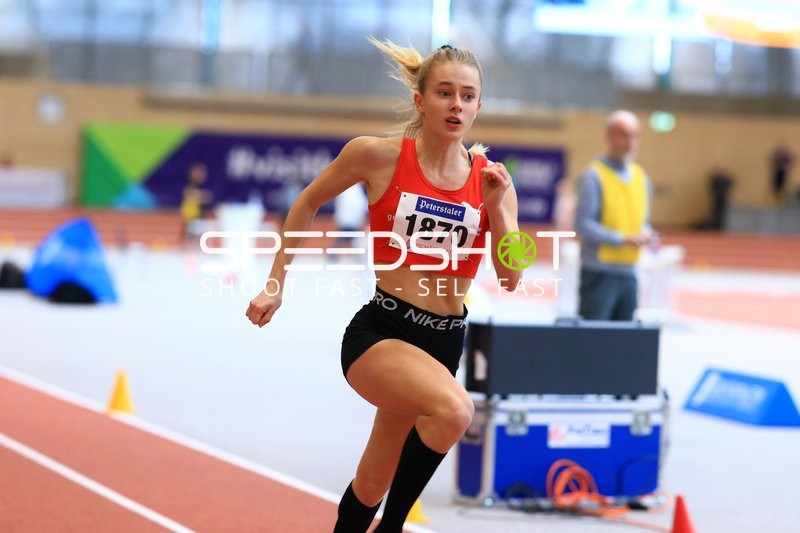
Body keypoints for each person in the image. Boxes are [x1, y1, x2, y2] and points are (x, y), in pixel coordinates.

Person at [245, 39, 522, 532]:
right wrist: (275, 284)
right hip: (383, 332)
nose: (456, 105)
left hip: (443, 342)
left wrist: (499, 211)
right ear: (421, 101)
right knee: (456, 411)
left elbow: (511, 275)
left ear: (479, 105)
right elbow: (306, 203)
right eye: (444, 93)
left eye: (467, 96)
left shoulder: (493, 181)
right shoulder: (377, 156)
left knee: (373, 480)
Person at [574, 110, 657, 321]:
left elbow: (643, 222)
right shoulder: (593, 176)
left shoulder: (641, 178)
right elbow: (582, 224)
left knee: (623, 341)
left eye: (635, 135)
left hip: (629, 272)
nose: (630, 142)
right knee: (594, 340)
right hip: (599, 272)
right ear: (609, 137)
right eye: (624, 135)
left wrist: (647, 235)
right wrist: (623, 239)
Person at [180, 162, 213, 245]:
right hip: (192, 217)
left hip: (200, 216)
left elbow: (208, 197)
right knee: (192, 238)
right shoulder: (189, 185)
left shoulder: (203, 186)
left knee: (202, 238)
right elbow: (189, 194)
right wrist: (200, 196)